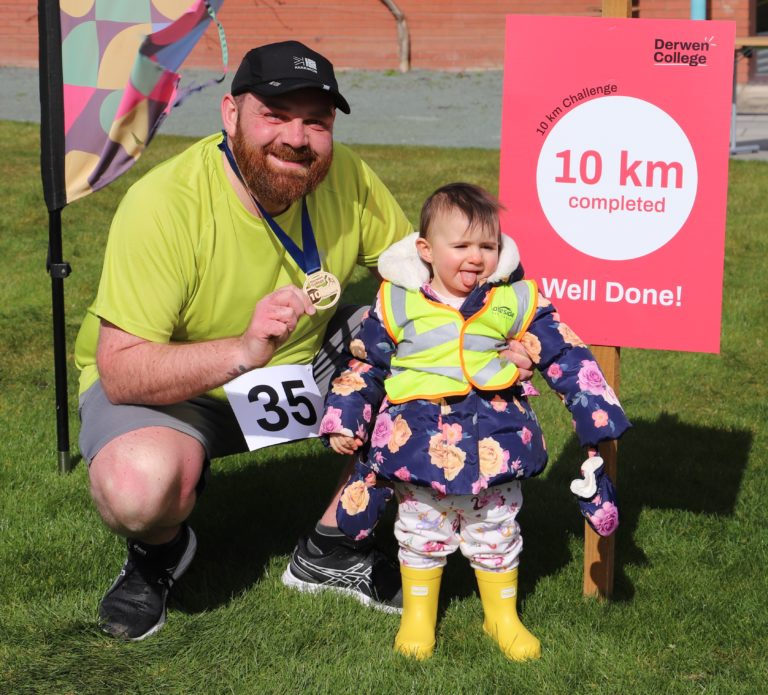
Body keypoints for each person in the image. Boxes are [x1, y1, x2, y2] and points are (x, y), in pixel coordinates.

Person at [74, 40, 537, 641]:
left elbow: (424, 274)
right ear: (230, 113)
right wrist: (241, 351)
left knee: (436, 357)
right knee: (138, 488)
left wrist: (501, 328)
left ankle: (332, 546)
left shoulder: (344, 176)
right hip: (178, 389)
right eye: (274, 114)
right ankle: (157, 551)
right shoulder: (164, 204)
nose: (297, 137)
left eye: (315, 121)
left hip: (307, 369)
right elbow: (123, 371)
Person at [318, 183, 631, 661]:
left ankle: (501, 617)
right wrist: (345, 419)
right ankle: (418, 619)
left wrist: (596, 413)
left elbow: (566, 352)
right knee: (421, 531)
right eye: (460, 246)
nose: (476, 258)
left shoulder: (514, 299)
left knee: (496, 528)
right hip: (417, 443)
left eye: (488, 246)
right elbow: (366, 364)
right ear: (426, 249)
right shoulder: (397, 302)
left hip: (498, 441)